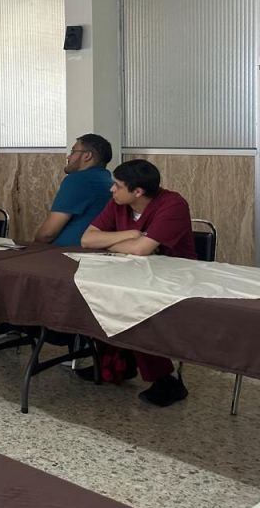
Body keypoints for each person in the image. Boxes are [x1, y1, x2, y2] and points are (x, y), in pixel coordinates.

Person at [80, 159, 195, 407]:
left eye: (118, 185)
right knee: (99, 293)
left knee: (135, 304)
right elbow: (87, 240)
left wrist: (112, 243)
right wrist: (130, 235)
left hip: (173, 278)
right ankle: (117, 364)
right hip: (130, 272)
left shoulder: (172, 204)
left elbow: (141, 249)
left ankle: (165, 381)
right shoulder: (118, 203)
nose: (112, 189)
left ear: (138, 192)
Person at [34, 134, 114, 245]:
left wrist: (34, 248)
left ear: (87, 156)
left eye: (73, 152)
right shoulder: (107, 180)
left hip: (68, 251)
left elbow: (47, 234)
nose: (68, 157)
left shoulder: (78, 180)